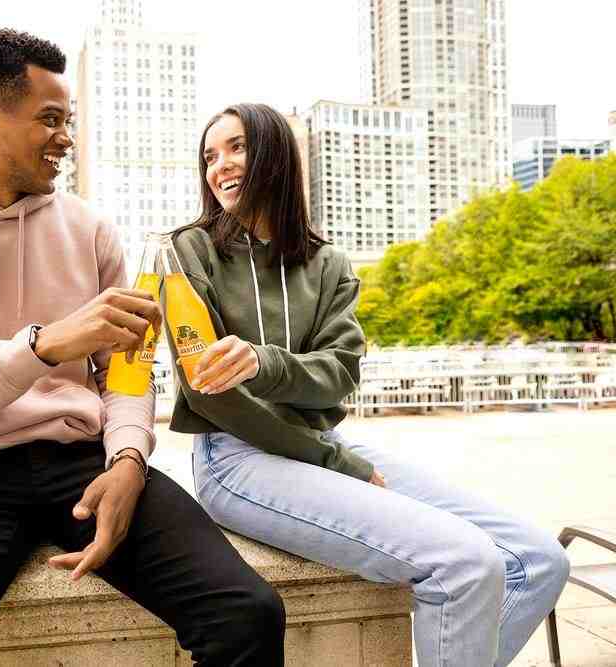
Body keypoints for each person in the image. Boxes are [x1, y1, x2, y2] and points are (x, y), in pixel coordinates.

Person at [0, 32, 284, 667]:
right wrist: (46, 345)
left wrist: (130, 461)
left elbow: (128, 376)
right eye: (49, 119)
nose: (65, 137)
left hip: (85, 461)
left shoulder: (90, 229)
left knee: (248, 614)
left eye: (69, 121)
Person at [166, 102, 571, 666]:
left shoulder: (327, 262)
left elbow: (337, 378)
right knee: (465, 563)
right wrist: (340, 464)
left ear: (275, 155)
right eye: (209, 156)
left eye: (236, 147)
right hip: (235, 460)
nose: (220, 166)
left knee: (540, 561)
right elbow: (216, 395)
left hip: (319, 449)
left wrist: (267, 365)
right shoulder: (188, 251)